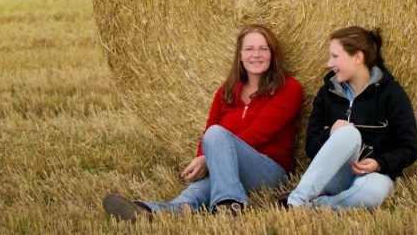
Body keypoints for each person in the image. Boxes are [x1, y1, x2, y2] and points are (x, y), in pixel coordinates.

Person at [103, 24, 303, 221]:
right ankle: (152, 212)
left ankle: (229, 203)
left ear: (272, 54)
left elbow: (258, 135)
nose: (256, 54)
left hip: (268, 170)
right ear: (240, 56)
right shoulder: (226, 91)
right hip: (226, 168)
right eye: (249, 49)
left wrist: (208, 159)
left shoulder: (289, 89)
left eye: (263, 49)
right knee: (195, 192)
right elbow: (208, 132)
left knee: (217, 135)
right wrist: (204, 156)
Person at [278, 26, 417, 210]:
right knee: (347, 133)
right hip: (335, 175)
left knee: (372, 194)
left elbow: (409, 148)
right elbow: (311, 147)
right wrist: (331, 134)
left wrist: (379, 163)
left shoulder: (391, 94)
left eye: (335, 56)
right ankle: (296, 201)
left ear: (358, 57)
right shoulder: (327, 93)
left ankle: (315, 206)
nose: (329, 64)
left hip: (374, 175)